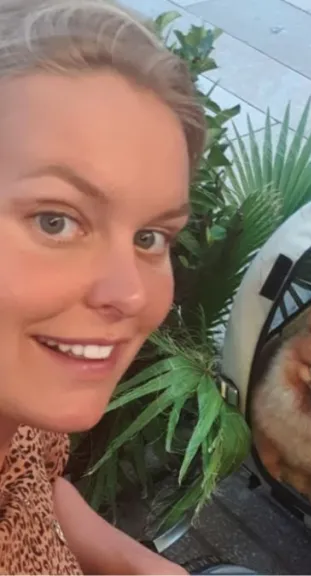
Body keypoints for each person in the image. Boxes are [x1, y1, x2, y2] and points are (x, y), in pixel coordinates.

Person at [0, 0, 206, 573]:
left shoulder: (18, 398)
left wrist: (140, 565)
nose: (132, 295)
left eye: (150, 237)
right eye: (55, 221)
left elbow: (33, 477)